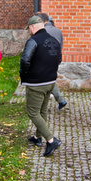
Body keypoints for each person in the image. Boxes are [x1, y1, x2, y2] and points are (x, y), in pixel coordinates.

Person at [21, 15, 63, 157]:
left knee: (33, 112)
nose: (29, 31)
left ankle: (51, 140)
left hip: (36, 83)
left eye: (29, 29)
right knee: (42, 111)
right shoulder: (55, 40)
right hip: (50, 82)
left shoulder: (33, 41)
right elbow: (58, 59)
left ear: (33, 27)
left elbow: (25, 60)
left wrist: (24, 74)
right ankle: (37, 137)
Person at [36, 13, 67, 110]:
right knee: (50, 80)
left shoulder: (43, 31)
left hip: (44, 59)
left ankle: (43, 106)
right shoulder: (58, 31)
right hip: (56, 59)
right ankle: (60, 100)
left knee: (43, 81)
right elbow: (60, 46)